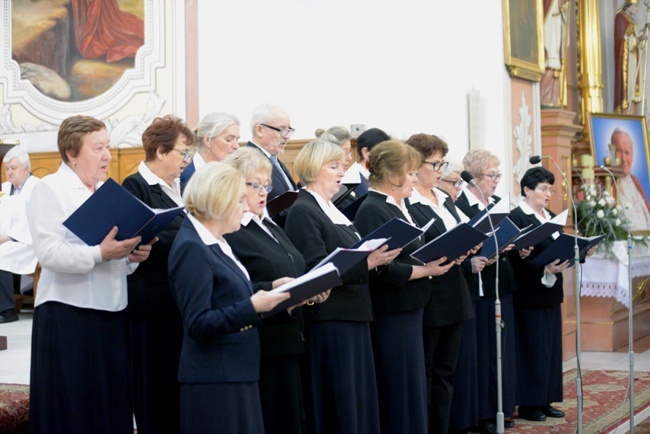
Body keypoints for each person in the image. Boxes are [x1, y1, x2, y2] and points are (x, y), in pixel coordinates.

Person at [26, 115, 153, 433]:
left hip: (111, 312)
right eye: (98, 148)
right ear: (71, 153)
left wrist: (132, 256)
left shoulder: (106, 192)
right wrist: (100, 253)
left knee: (110, 403)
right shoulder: (50, 189)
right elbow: (49, 254)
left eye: (108, 146)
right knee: (75, 407)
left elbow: (113, 257)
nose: (107, 155)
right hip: (69, 315)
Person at [284, 139, 400, 434]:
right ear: (312, 168)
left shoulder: (330, 208)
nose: (341, 171)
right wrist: (368, 263)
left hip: (355, 313)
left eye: (342, 165)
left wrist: (375, 258)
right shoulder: (303, 210)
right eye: (333, 166)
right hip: (331, 318)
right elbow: (315, 267)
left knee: (357, 399)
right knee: (340, 399)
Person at [168, 162, 291, 434]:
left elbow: (227, 292)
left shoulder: (217, 241)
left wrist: (271, 287)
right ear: (219, 201)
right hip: (214, 378)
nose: (246, 208)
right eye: (239, 201)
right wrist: (252, 307)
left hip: (235, 372)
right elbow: (198, 323)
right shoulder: (192, 247)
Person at [354, 140, 454, 434]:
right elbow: (382, 268)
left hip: (412, 307)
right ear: (393, 175)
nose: (414, 178)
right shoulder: (372, 208)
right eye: (410, 173)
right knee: (398, 387)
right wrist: (426, 270)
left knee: (412, 385)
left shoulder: (400, 205)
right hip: (392, 311)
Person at [223, 147, 310, 434]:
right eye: (255, 185)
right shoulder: (232, 231)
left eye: (266, 185)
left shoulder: (268, 224)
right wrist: (273, 289)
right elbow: (235, 287)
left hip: (291, 336)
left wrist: (312, 288)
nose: (264, 192)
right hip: (263, 342)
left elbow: (293, 266)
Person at [121, 115, 195, 433]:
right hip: (150, 308)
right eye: (182, 153)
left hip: (175, 303)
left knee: (175, 392)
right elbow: (144, 237)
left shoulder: (177, 188)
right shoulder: (136, 185)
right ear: (161, 151)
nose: (186, 161)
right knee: (155, 393)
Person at [404, 134, 476, 434]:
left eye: (442, 163)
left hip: (454, 291)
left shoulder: (444, 198)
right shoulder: (409, 201)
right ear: (416, 165)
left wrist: (469, 245)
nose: (440, 170)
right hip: (430, 294)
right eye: (435, 164)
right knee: (428, 371)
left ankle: (444, 427)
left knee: (447, 371)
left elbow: (462, 230)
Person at [454, 149, 519, 434]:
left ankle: (501, 406)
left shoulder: (496, 204)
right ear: (475, 178)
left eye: (497, 174)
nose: (496, 180)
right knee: (484, 353)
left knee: (501, 350)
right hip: (477, 286)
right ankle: (484, 413)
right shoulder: (462, 207)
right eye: (491, 175)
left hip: (500, 281)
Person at [508, 166, 570, 422]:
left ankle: (545, 399)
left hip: (551, 290)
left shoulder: (551, 216)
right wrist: (542, 268)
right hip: (529, 292)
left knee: (550, 348)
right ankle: (529, 403)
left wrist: (576, 252)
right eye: (543, 189)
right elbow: (514, 258)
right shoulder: (517, 218)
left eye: (550, 189)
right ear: (527, 190)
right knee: (532, 348)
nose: (548, 194)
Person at [0, 147, 40, 324]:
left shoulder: (36, 186)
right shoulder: (5, 188)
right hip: (8, 238)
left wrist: (8, 237)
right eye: (7, 168)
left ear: (26, 168)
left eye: (13, 168)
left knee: (1, 255)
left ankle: (7, 310)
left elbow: (31, 220)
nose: (9, 172)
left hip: (29, 241)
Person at [180, 112, 240, 185]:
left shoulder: (234, 175)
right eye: (229, 140)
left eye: (237, 140)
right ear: (207, 140)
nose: (236, 146)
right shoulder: (183, 178)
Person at [614, 0, 649, 115]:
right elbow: (621, 40)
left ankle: (634, 113)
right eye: (635, 6)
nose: (637, 9)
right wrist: (638, 39)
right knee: (628, 93)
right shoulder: (620, 18)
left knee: (634, 93)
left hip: (633, 61)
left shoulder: (630, 20)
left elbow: (632, 38)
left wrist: (644, 30)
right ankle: (628, 113)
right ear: (628, 6)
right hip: (626, 65)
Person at [613, 128, 650, 230]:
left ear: (632, 155)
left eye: (627, 152)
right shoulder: (606, 186)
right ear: (611, 152)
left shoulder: (636, 183)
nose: (624, 159)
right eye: (619, 152)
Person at [540, 0, 569, 107]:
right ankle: (544, 97)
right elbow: (547, 6)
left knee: (555, 66)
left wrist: (564, 5)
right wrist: (559, 4)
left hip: (556, 27)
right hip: (549, 28)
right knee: (549, 65)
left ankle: (552, 98)